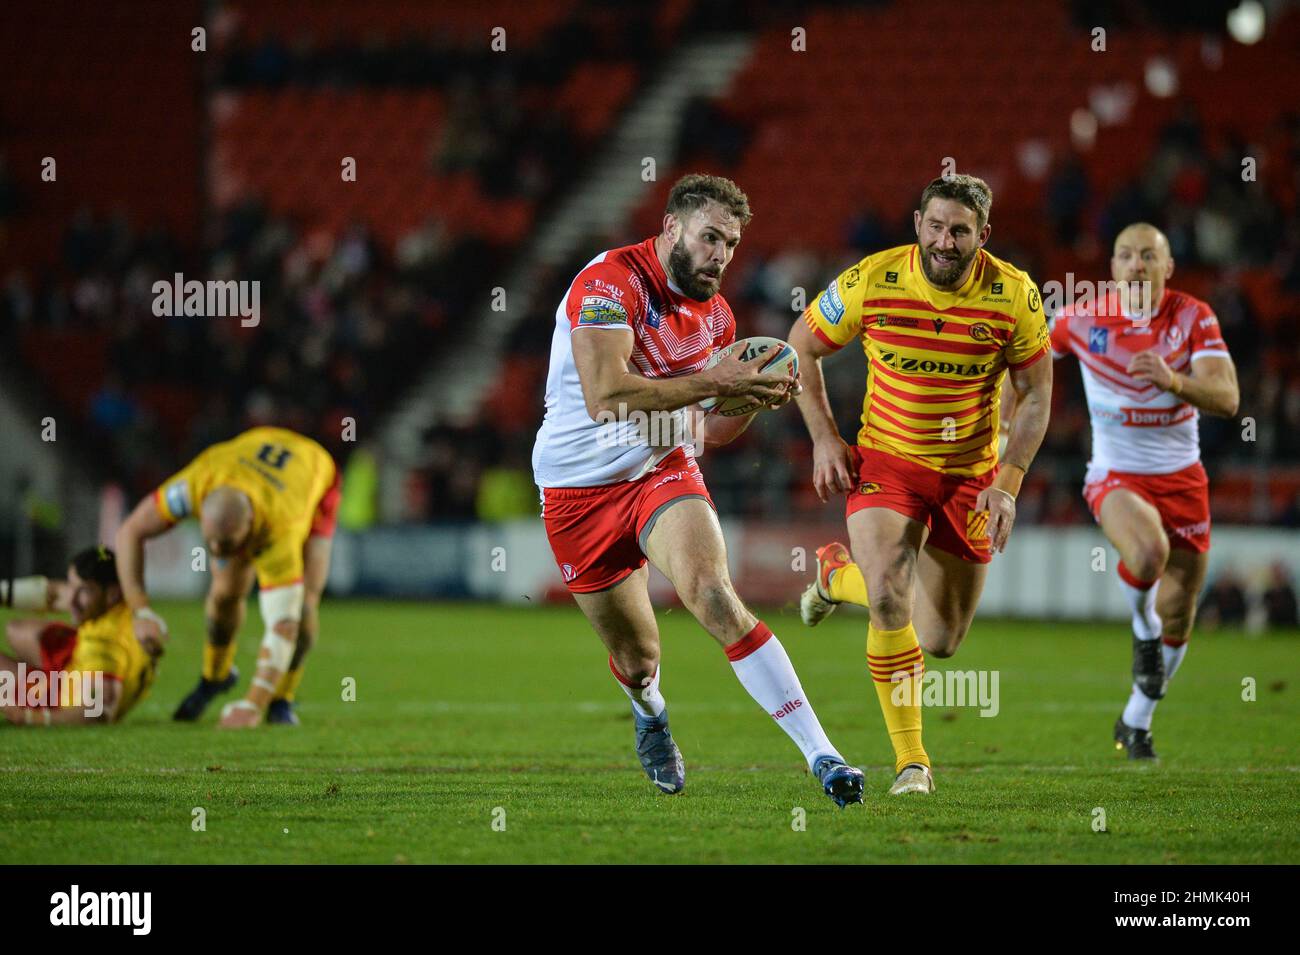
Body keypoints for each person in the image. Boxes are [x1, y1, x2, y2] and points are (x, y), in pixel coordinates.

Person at [531, 173, 865, 806]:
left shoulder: (717, 317)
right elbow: (607, 396)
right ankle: (650, 712)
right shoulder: (609, 284)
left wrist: (754, 398)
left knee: (712, 593)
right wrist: (717, 380)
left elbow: (708, 432)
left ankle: (824, 756)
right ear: (671, 229)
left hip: (661, 471)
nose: (721, 255)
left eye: (731, 244)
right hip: (577, 492)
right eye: (710, 237)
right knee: (638, 658)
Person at [790, 174, 1053, 794]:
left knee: (941, 639)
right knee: (890, 597)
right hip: (887, 463)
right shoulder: (871, 279)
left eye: (959, 231)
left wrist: (1009, 481)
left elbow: (1037, 392)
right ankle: (913, 763)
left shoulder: (1014, 293)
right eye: (935, 226)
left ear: (982, 236)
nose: (944, 241)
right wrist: (825, 438)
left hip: (970, 476)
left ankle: (836, 577)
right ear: (917, 225)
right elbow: (800, 347)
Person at [1050, 223, 1238, 759]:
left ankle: (1136, 720)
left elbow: (1227, 398)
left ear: (1168, 267)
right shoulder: (1080, 318)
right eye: (1126, 255)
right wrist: (1003, 419)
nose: (1137, 265)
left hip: (1183, 479)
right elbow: (1024, 355)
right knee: (1149, 554)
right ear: (1112, 268)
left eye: (1149, 256)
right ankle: (1141, 624)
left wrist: (1174, 381)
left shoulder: (1193, 316)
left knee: (1179, 612)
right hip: (1115, 475)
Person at [115, 427, 341, 728]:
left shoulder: (281, 528)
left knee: (303, 607)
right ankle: (216, 677)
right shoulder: (196, 483)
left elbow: (283, 626)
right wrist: (140, 610)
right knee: (224, 595)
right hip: (257, 444)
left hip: (313, 472)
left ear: (250, 525)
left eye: (229, 545)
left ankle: (280, 699)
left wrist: (252, 704)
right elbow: (130, 531)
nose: (219, 551)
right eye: (211, 543)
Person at [2, 547, 159, 725]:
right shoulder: (123, 609)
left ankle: (32, 693)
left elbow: (100, 709)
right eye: (72, 586)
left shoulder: (101, 643)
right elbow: (55, 594)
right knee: (18, 630)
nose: (71, 600)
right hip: (77, 669)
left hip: (62, 702)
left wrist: (30, 717)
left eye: (84, 590)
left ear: (112, 594)